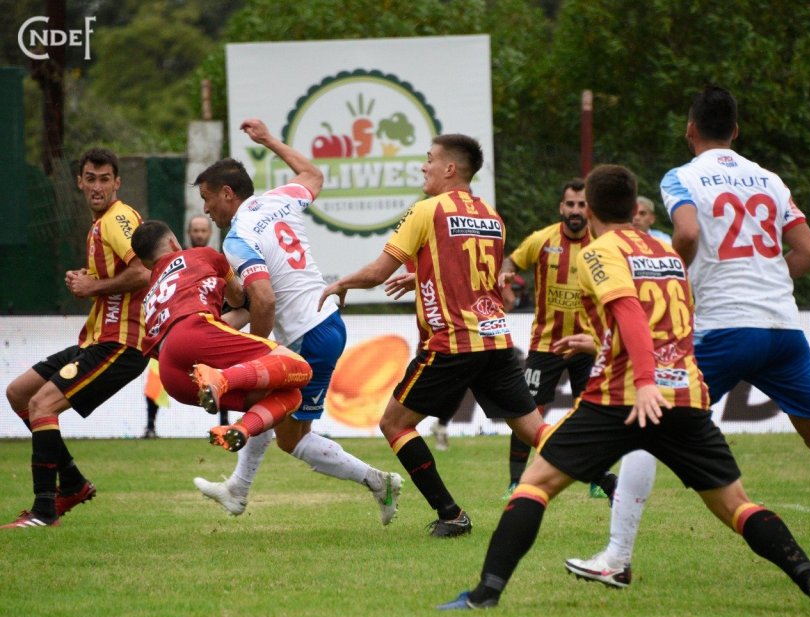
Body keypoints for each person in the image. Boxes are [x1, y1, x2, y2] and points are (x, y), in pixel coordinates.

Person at [566, 85, 810, 590]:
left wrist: (675, 279)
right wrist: (766, 278)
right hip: (782, 328)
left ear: (690, 129)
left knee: (645, 427)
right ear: (736, 132)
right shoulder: (769, 179)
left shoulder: (682, 176)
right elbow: (809, 252)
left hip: (722, 326)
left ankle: (617, 556)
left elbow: (690, 234)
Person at [438, 164, 810, 611]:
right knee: (737, 505)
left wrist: (643, 380)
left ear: (591, 208)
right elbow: (666, 323)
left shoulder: (599, 252)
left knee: (534, 487)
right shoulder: (666, 252)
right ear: (635, 207)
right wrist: (601, 342)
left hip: (623, 397)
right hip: (684, 396)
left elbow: (632, 312)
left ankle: (484, 596)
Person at [319, 133, 547, 537]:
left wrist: (341, 284)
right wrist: (422, 276)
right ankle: (609, 480)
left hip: (452, 344)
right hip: (494, 339)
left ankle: (451, 514)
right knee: (534, 430)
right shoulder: (492, 217)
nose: (423, 167)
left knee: (394, 424)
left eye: (429, 159)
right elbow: (477, 278)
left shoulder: (428, 210)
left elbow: (376, 272)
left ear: (449, 169)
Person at [188, 119, 403, 524]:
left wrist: (257, 353)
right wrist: (269, 139)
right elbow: (314, 175)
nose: (205, 209)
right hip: (324, 324)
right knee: (278, 421)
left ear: (227, 193)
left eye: (207, 198)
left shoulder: (238, 238)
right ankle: (239, 489)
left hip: (307, 334)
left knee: (289, 436)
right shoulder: (277, 200)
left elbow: (265, 299)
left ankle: (378, 481)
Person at [2, 148, 150, 529]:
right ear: (80, 182)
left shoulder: (117, 219)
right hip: (95, 340)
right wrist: (87, 282)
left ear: (117, 182)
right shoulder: (101, 224)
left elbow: (145, 272)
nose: (97, 186)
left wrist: (93, 285)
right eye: (90, 178)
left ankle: (44, 510)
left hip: (120, 344)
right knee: (19, 393)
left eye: (105, 179)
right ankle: (72, 482)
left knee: (42, 403)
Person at [129, 220, 313, 455]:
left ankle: (242, 430)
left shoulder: (150, 297)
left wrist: (244, 313)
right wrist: (254, 298)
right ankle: (223, 378)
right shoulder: (201, 254)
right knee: (301, 368)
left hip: (172, 374)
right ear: (173, 242)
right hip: (195, 333)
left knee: (291, 393)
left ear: (146, 265)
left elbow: (205, 332)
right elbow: (236, 297)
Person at [498, 179, 617, 500]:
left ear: (588, 209)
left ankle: (597, 479)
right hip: (545, 344)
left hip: (589, 344)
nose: (575, 211)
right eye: (570, 204)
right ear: (561, 208)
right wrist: (505, 279)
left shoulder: (603, 242)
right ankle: (514, 480)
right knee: (527, 408)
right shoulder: (542, 239)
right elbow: (511, 261)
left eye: (581, 205)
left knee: (596, 413)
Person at [142, 215, 221, 438]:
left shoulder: (215, 260)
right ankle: (150, 426)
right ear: (188, 233)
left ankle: (223, 423)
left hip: (208, 327)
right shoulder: (175, 261)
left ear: (210, 233)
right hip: (172, 329)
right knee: (156, 377)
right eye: (195, 230)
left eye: (203, 230)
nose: (199, 234)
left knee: (222, 376)